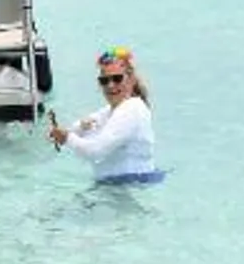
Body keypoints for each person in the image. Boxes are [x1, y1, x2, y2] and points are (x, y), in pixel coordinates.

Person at [46, 46, 159, 183]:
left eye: (117, 79)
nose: (110, 85)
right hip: (116, 186)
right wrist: (75, 129)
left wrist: (67, 138)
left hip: (131, 186)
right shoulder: (110, 110)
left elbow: (96, 151)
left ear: (131, 80)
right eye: (104, 81)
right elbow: (71, 130)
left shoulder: (131, 109)